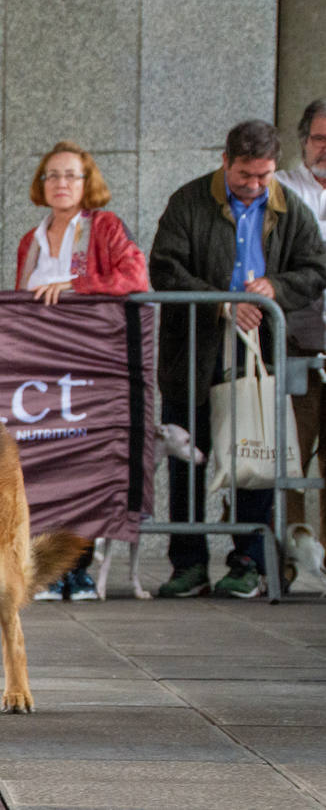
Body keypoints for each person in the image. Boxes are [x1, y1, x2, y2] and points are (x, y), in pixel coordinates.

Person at [149, 119, 326, 598]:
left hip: (261, 351)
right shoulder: (189, 201)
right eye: (245, 175)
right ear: (225, 161)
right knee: (189, 454)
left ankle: (247, 560)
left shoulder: (288, 209)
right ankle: (187, 564)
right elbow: (164, 266)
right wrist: (222, 300)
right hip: (195, 349)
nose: (254, 186)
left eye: (263, 176)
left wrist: (277, 287)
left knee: (257, 454)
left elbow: (315, 269)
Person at [16, 142, 150, 600]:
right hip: (39, 368)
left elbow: (136, 277)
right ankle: (47, 566)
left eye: (71, 175)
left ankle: (78, 569)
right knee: (42, 463)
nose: (61, 184)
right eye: (52, 175)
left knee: (82, 465)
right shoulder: (29, 240)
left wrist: (73, 286)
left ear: (87, 182)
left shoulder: (104, 227)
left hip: (90, 366)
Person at [277, 99, 326, 545]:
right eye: (319, 139)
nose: (325, 148)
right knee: (290, 458)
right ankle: (288, 556)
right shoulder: (280, 189)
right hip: (295, 344)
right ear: (303, 141)